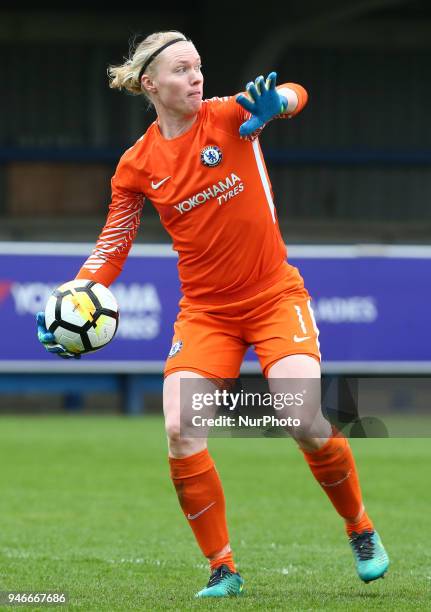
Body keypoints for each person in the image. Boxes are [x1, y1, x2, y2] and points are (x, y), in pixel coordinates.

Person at [37, 30, 389, 598]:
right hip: (206, 312)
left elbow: (297, 93)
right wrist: (78, 290)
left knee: (302, 419)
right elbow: (115, 238)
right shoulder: (135, 165)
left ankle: (360, 528)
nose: (196, 77)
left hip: (275, 296)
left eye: (198, 66)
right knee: (180, 428)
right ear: (150, 85)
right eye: (181, 70)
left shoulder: (229, 115)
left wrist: (281, 104)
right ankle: (223, 568)